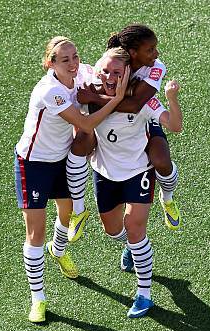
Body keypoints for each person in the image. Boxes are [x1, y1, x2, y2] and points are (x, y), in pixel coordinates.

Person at [14, 36, 128, 323]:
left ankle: (59, 250)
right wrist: (115, 99)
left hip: (62, 158)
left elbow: (103, 72)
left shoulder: (81, 73)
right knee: (35, 234)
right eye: (65, 60)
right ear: (50, 63)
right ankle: (38, 299)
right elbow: (86, 123)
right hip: (35, 164)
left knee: (65, 217)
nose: (74, 63)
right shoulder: (50, 91)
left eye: (75, 56)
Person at [74, 47, 182, 318]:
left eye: (117, 72)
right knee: (113, 231)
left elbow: (175, 125)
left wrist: (172, 98)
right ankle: (131, 248)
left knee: (135, 229)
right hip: (105, 172)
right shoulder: (89, 96)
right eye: (106, 71)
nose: (110, 77)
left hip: (138, 171)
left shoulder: (143, 101)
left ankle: (144, 294)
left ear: (128, 74)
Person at [68, 24, 181, 240]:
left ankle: (167, 198)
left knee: (161, 160)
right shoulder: (111, 63)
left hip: (143, 121)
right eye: (150, 49)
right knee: (79, 141)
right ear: (132, 53)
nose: (156, 54)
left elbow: (136, 104)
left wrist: (95, 99)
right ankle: (80, 210)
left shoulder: (156, 67)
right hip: (113, 134)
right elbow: (94, 84)